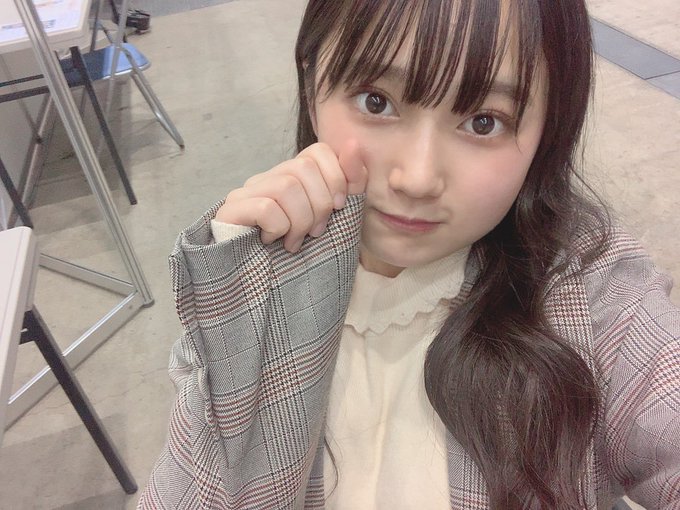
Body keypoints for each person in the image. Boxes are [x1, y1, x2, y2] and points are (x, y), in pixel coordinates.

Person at [138, 1, 680, 509]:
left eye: (484, 121)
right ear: (311, 84)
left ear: (549, 128)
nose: (417, 178)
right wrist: (234, 316)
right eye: (376, 101)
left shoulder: (594, 297)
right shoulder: (256, 277)